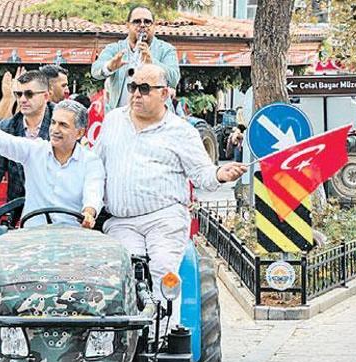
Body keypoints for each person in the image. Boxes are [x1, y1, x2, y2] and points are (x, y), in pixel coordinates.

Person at [94, 64, 246, 324]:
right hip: (120, 221)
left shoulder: (181, 131)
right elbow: (95, 167)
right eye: (133, 88)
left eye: (144, 89)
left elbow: (202, 173)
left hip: (164, 219)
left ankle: (164, 339)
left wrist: (221, 174)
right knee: (125, 276)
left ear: (164, 94)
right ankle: (126, 338)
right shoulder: (113, 121)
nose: (136, 95)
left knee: (163, 273)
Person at [0, 74, 104, 228]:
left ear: (80, 133)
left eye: (63, 125)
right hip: (32, 237)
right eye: (53, 123)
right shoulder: (34, 150)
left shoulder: (91, 161)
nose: (55, 130)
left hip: (72, 236)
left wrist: (88, 213)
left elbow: (94, 192)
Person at [0, 70, 54, 221]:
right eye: (18, 94)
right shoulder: (9, 125)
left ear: (46, 96)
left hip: (56, 210)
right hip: (18, 210)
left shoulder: (61, 122)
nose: (22, 99)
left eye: (29, 94)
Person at [91, 6, 180, 112]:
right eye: (137, 21)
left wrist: (153, 63)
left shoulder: (166, 49)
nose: (142, 25)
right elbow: (95, 71)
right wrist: (109, 67)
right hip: (122, 118)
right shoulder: (114, 48)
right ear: (127, 25)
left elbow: (174, 78)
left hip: (156, 119)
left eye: (147, 22)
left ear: (154, 26)